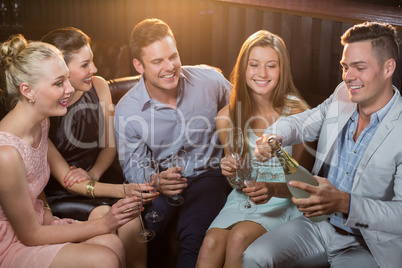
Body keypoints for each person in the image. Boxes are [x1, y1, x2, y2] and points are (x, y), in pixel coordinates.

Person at [243, 21, 402, 268]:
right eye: (345, 67)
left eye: (360, 67)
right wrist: (274, 136)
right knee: (255, 257)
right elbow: (303, 122)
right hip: (318, 225)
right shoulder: (342, 95)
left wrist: (344, 203)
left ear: (388, 67)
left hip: (369, 246)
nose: (349, 77)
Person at [0, 34, 142, 267]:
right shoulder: (5, 153)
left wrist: (44, 207)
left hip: (39, 221)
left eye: (67, 79)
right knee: (104, 257)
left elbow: (31, 183)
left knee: (113, 244)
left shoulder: (40, 122)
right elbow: (29, 235)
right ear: (27, 90)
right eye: (59, 83)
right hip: (12, 242)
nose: (69, 89)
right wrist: (104, 223)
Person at [114, 18, 231, 268]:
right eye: (157, 61)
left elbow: (245, 107)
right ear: (139, 65)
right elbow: (133, 165)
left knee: (194, 236)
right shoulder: (127, 109)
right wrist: (156, 180)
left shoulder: (210, 80)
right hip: (163, 181)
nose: (169, 67)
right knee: (147, 231)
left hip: (208, 175)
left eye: (173, 56)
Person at [196, 30, 313, 268]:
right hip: (242, 200)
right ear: (243, 68)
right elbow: (239, 182)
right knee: (209, 243)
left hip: (284, 201)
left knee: (239, 237)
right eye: (254, 64)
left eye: (271, 65)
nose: (262, 73)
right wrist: (231, 172)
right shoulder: (226, 117)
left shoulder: (300, 113)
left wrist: (272, 189)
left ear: (282, 70)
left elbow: (303, 185)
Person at [41, 27, 153, 268]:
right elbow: (69, 181)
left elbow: (109, 146)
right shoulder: (43, 112)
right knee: (109, 222)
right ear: (60, 70)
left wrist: (94, 173)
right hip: (64, 192)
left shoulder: (100, 87)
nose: (94, 69)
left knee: (132, 221)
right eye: (85, 65)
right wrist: (125, 191)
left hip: (100, 177)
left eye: (92, 61)